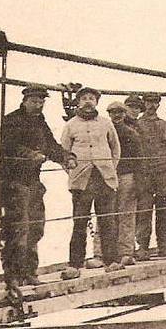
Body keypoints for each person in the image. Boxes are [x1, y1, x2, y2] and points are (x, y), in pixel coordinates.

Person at [0, 85, 76, 291]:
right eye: (34, 101)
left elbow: (50, 145)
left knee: (35, 227)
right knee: (18, 229)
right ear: (25, 101)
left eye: (41, 101)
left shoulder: (40, 122)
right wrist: (31, 155)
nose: (38, 105)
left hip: (33, 182)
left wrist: (66, 157)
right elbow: (9, 147)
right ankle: (14, 275)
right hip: (14, 182)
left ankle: (29, 272)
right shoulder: (12, 120)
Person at [60, 87, 122, 278]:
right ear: (78, 102)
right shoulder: (70, 125)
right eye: (84, 98)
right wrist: (73, 172)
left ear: (96, 102)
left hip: (104, 178)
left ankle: (111, 261)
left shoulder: (106, 124)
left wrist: (108, 168)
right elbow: (64, 152)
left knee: (107, 221)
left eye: (92, 98)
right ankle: (75, 265)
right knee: (80, 222)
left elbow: (115, 149)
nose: (88, 101)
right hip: (82, 180)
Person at [93, 101, 147, 267]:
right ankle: (99, 253)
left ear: (124, 114)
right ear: (109, 114)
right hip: (108, 176)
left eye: (120, 112)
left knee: (126, 215)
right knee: (104, 214)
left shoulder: (131, 133)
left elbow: (139, 160)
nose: (116, 116)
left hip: (126, 176)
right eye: (113, 112)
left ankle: (125, 252)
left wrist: (139, 182)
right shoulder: (102, 132)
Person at [134, 92, 166, 259]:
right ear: (144, 103)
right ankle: (142, 247)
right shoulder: (137, 125)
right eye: (149, 102)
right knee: (144, 210)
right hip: (145, 173)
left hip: (164, 172)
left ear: (159, 105)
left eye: (155, 102)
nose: (152, 105)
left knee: (164, 210)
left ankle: (164, 244)